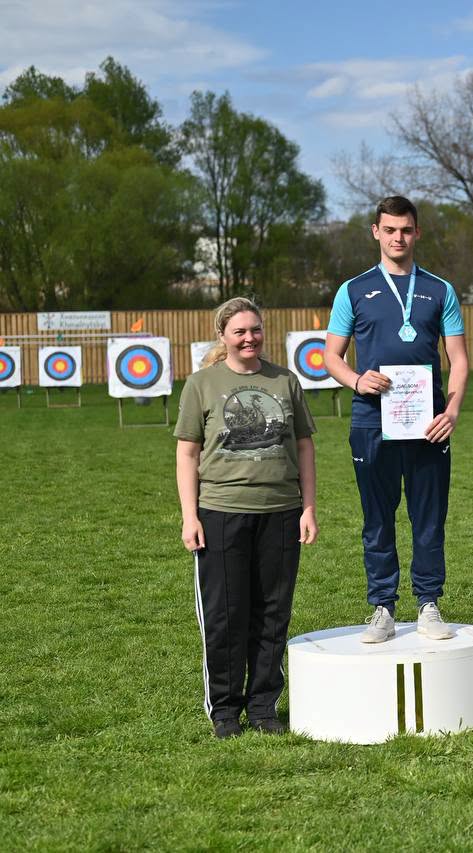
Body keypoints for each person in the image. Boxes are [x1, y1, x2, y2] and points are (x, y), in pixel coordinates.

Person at [323, 195, 469, 643]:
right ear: (376, 232)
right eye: (389, 230)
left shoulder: (440, 289)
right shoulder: (352, 290)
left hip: (428, 424)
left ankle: (428, 603)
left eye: (405, 230)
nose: (398, 237)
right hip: (371, 422)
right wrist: (355, 380)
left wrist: (452, 411)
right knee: (377, 519)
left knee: (429, 517)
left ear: (416, 232)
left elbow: (459, 360)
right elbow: (331, 355)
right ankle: (383, 607)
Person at [175, 297, 318, 738]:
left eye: (255, 329)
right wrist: (189, 516)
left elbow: (305, 446)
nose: (249, 338)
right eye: (239, 331)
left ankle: (263, 707)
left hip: (279, 513)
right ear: (223, 336)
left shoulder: (285, 381)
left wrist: (308, 506)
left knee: (272, 613)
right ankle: (224, 711)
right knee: (225, 614)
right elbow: (187, 452)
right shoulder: (201, 384)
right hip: (220, 513)